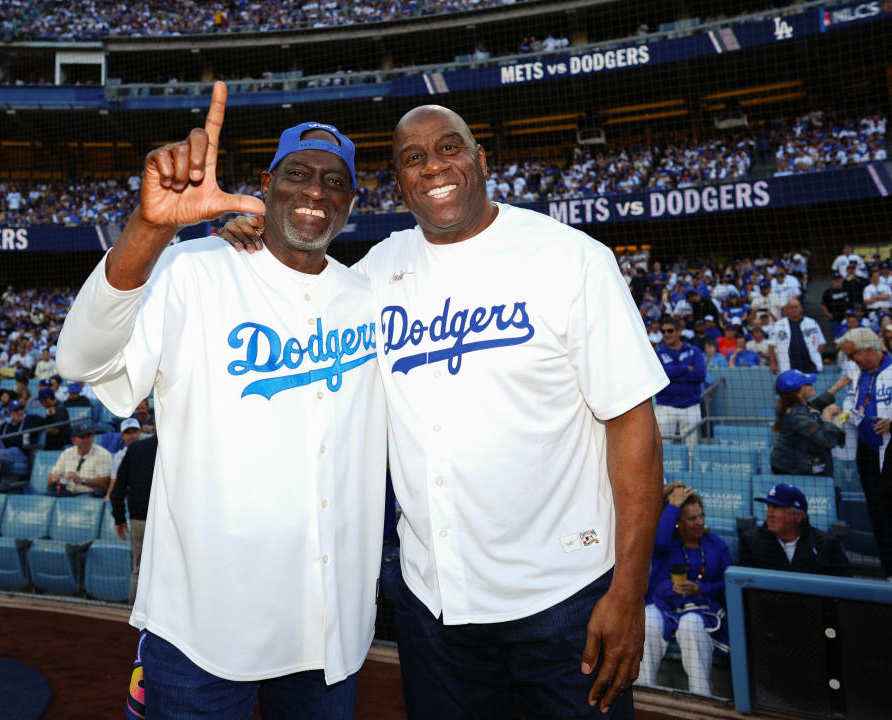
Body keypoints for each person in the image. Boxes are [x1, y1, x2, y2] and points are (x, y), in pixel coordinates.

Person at [221, 101, 668, 718]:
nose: (433, 165)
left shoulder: (571, 258)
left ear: (480, 159)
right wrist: (255, 239)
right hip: (434, 611)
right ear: (399, 184)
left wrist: (629, 590)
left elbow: (633, 426)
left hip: (564, 600)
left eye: (448, 147)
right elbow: (300, 287)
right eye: (412, 158)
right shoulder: (375, 273)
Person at [57, 85, 386, 717]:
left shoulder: (369, 296)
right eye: (297, 174)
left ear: (351, 200)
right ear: (266, 182)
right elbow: (82, 361)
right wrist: (149, 228)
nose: (315, 191)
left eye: (334, 181)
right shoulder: (194, 270)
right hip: (202, 628)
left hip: (329, 627)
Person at [638, 483, 732, 697]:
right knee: (648, 619)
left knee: (691, 624)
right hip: (665, 606)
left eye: (701, 516)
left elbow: (729, 584)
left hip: (701, 608)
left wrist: (700, 588)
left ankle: (702, 696)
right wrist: (672, 505)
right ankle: (645, 693)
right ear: (678, 522)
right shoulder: (665, 545)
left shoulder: (716, 544)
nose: (700, 522)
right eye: (692, 518)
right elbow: (659, 538)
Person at [834, 327, 892, 580]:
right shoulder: (861, 373)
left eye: (852, 355)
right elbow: (856, 405)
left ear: (869, 350)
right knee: (877, 512)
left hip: (889, 453)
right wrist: (841, 417)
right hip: (867, 452)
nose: (850, 360)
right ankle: (888, 569)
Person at [738, 484, 851, 576]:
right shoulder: (750, 542)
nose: (769, 514)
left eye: (777, 508)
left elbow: (845, 589)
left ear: (798, 516)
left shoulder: (827, 545)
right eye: (768, 507)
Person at [769, 370, 850, 476]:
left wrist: (837, 387)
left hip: (794, 466)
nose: (811, 384)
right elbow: (828, 441)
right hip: (798, 472)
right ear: (798, 392)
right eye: (807, 384)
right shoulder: (796, 415)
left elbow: (815, 405)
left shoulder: (795, 407)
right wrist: (827, 416)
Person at [109, 433, 158, 603]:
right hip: (168, 521)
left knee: (139, 571)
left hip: (140, 519)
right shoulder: (181, 448)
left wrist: (119, 518)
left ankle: (134, 617)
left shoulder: (136, 448)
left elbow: (118, 489)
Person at [655, 316, 706, 449]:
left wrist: (670, 375)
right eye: (663, 331)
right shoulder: (658, 353)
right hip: (665, 407)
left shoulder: (694, 351)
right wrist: (683, 368)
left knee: (692, 449)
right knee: (663, 450)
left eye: (670, 330)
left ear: (679, 332)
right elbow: (657, 375)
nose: (666, 334)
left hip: (690, 406)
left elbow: (700, 374)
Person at [46, 422, 113, 496]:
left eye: (89, 436)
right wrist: (54, 478)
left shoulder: (102, 454)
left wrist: (81, 480)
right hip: (68, 493)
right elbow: (50, 479)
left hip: (90, 494)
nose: (86, 440)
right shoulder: (66, 453)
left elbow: (105, 482)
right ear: (73, 441)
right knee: (44, 497)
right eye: (82, 437)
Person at [0, 400, 44, 483]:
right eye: (16, 410)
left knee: (13, 449)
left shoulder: (31, 419)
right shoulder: (4, 425)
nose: (19, 412)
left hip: (21, 453)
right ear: (11, 413)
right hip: (5, 450)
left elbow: (47, 422)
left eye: (21, 409)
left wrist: (50, 414)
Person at [768, 298, 826, 375]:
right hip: (788, 365)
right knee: (792, 386)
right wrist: (773, 363)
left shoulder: (811, 323)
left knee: (809, 386)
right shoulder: (779, 325)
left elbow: (821, 343)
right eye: (791, 307)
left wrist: (815, 355)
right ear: (787, 310)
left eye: (796, 307)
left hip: (809, 365)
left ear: (801, 308)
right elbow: (771, 346)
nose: (794, 309)